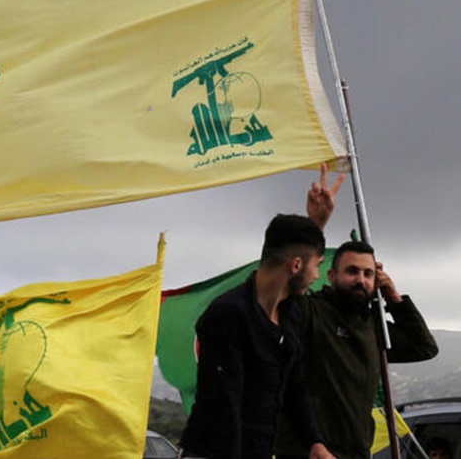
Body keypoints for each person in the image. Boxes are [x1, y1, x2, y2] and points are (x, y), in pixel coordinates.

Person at [177, 190, 338, 459]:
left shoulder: (290, 315)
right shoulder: (228, 315)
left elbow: (295, 388)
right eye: (317, 265)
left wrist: (315, 442)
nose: (317, 275)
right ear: (296, 265)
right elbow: (225, 410)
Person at [273, 239, 439, 459]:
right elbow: (278, 292)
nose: (361, 280)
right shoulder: (311, 313)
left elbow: (423, 347)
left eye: (368, 274)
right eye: (352, 271)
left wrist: (393, 297)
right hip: (307, 453)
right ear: (331, 276)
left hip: (357, 453)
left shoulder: (372, 327)